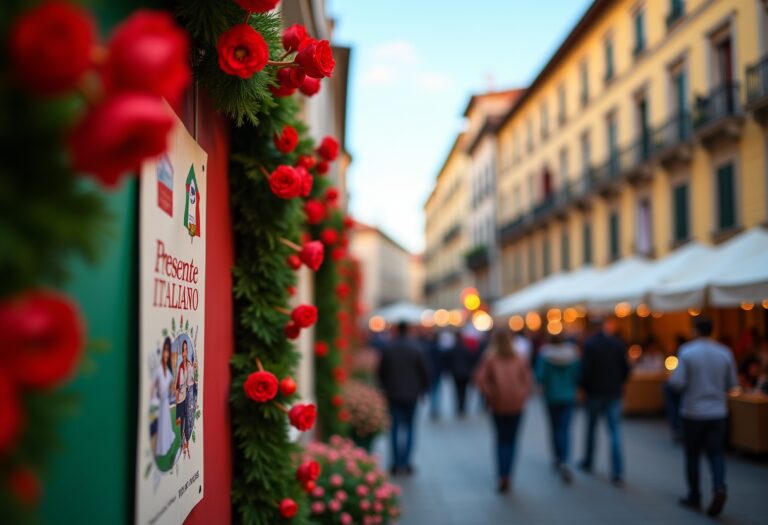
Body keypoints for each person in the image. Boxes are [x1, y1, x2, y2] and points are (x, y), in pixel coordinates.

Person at [669, 317, 738, 517]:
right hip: (717, 411)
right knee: (716, 453)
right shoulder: (724, 352)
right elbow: (732, 383)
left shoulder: (687, 351)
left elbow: (677, 383)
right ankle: (719, 487)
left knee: (692, 455)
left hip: (693, 412)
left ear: (695, 330)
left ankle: (694, 495)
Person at [474, 328, 532, 493]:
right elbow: (528, 381)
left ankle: (502, 474)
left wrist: (491, 394)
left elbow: (480, 379)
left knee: (501, 440)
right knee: (512, 440)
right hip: (516, 405)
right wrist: (521, 395)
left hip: (497, 405)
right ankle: (508, 474)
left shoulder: (490, 358)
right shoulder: (520, 358)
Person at [578, 317, 629, 486]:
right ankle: (617, 471)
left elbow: (585, 370)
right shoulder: (617, 344)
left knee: (592, 429)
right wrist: (619, 383)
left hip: (595, 393)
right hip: (613, 392)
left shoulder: (591, 345)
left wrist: (584, 388)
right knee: (614, 431)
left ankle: (588, 461)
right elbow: (626, 369)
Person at [377, 321, 430, 475]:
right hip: (411, 394)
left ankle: (395, 462)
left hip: (393, 393)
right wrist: (423, 391)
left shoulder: (388, 348)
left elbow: (381, 373)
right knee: (410, 428)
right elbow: (424, 372)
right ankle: (406, 462)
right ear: (408, 331)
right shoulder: (416, 348)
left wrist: (384, 389)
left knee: (394, 428)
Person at [535, 332, 580, 483]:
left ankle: (558, 458)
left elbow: (540, 376)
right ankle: (565, 459)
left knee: (554, 428)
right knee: (565, 428)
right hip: (568, 396)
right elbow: (577, 375)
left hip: (552, 396)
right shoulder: (572, 355)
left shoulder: (545, 355)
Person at [153, 337, 176, 457]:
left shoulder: (168, 371)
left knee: (167, 424)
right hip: (161, 403)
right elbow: (155, 389)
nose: (166, 354)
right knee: (162, 424)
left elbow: (170, 388)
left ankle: (167, 442)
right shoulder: (158, 371)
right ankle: (162, 447)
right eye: (164, 350)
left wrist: (172, 391)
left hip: (166, 401)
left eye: (168, 351)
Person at [451, 326, 481, 417]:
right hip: (465, 373)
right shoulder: (466, 349)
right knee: (464, 391)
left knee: (457, 391)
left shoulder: (453, 349)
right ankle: (463, 407)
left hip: (456, 373)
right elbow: (472, 359)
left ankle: (459, 407)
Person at [175, 340, 197, 460]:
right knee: (180, 421)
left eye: (185, 350)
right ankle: (181, 445)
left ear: (187, 351)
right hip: (181, 398)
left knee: (187, 420)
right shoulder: (180, 367)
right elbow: (179, 383)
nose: (184, 353)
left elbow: (190, 381)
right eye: (182, 350)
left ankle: (185, 445)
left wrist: (193, 369)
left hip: (187, 397)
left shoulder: (188, 365)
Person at [429, 329, 456, 419]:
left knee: (433, 391)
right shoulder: (439, 349)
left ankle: (433, 408)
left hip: (432, 372)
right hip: (437, 372)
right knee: (436, 391)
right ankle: (435, 408)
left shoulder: (428, 348)